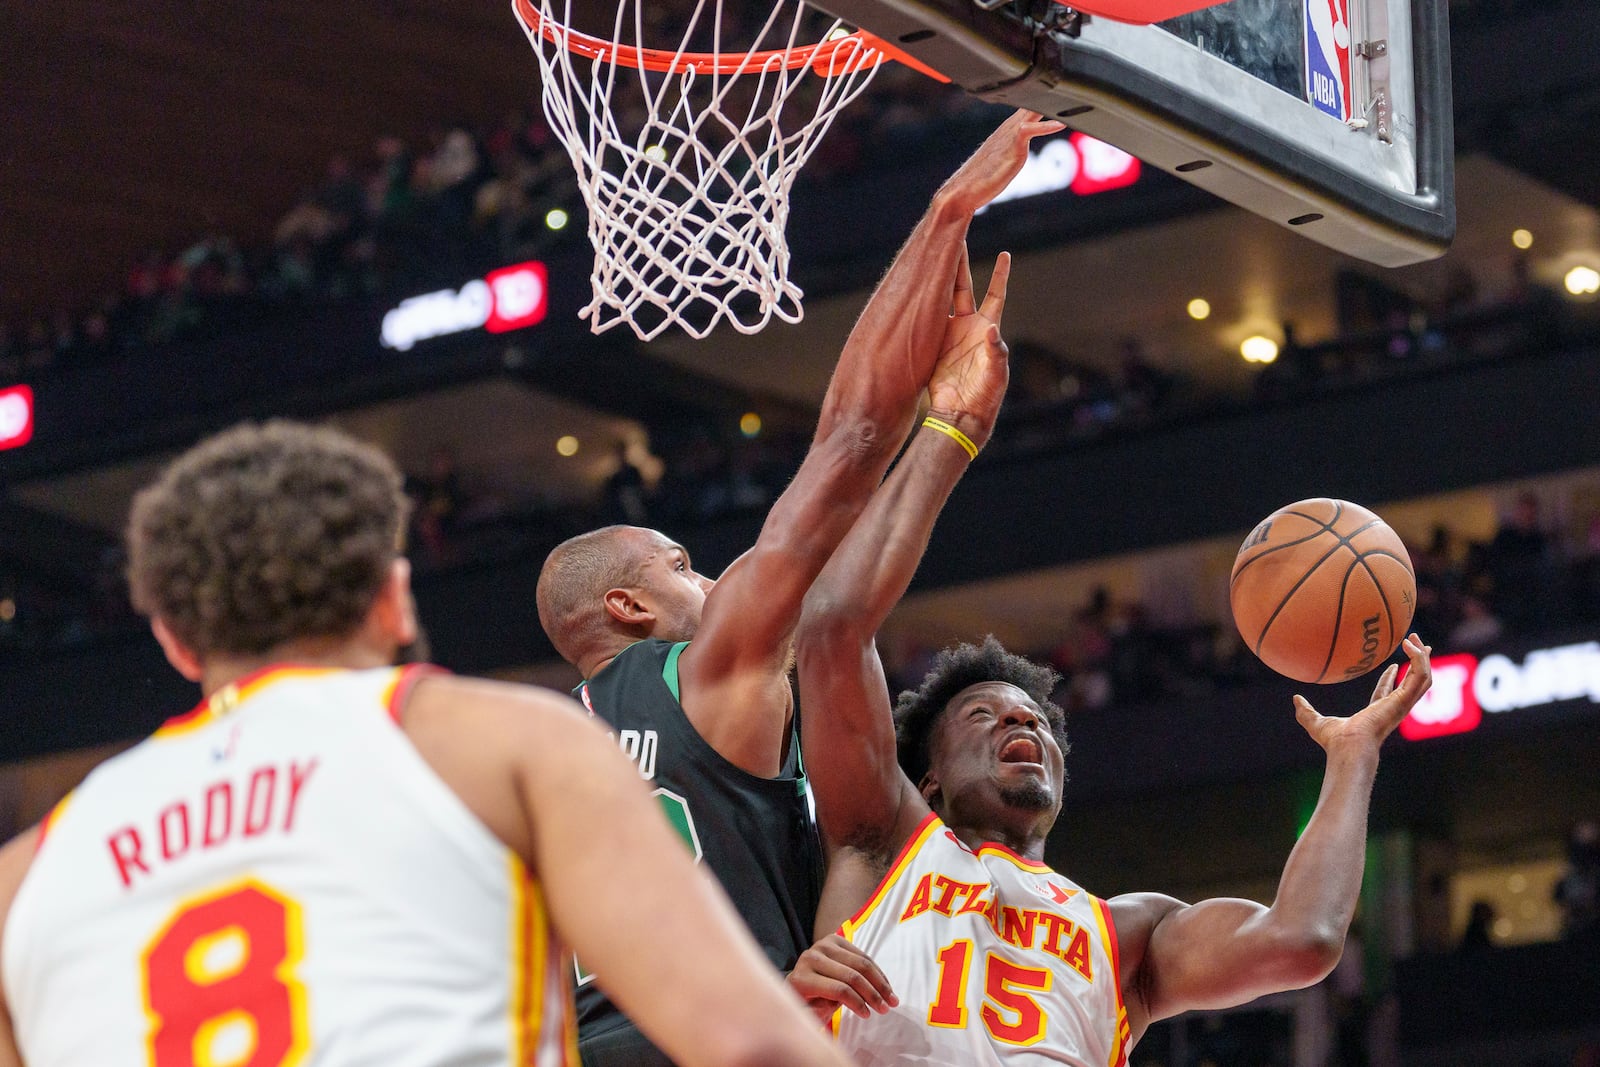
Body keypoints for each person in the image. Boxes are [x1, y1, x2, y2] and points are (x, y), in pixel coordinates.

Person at [0, 420, 855, 1067]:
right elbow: (751, 1042)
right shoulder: (492, 746)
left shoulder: (24, 873)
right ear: (393, 602)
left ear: (175, 642)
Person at [534, 109, 1062, 1067]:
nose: (708, 577)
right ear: (629, 609)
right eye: (679, 564)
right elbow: (850, 442)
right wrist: (946, 214)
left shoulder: (539, 756)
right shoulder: (700, 673)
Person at [786, 349, 1435, 1059]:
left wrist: (1352, 755)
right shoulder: (883, 846)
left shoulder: (1127, 934)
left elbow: (1300, 939)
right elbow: (833, 626)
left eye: (1034, 717)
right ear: (929, 781)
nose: (1019, 717)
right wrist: (948, 432)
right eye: (982, 714)